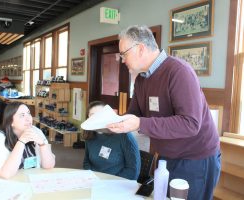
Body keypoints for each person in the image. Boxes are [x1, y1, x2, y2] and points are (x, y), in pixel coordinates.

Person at [107, 25, 221, 200]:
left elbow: (190, 124)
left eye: (124, 54)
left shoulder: (179, 71)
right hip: (167, 155)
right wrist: (112, 121)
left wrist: (139, 123)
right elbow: (134, 114)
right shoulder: (141, 80)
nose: (122, 60)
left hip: (196, 158)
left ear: (141, 49)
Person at [0, 102, 55, 179]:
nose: (28, 118)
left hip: (29, 182)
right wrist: (21, 142)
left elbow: (49, 165)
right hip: (2, 184)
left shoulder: (36, 131)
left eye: (28, 113)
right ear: (11, 121)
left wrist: (42, 144)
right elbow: (6, 174)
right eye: (22, 115)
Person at [83, 101, 141, 180]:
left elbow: (133, 170)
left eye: (100, 115)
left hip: (117, 184)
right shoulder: (90, 134)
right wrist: (91, 177)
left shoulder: (123, 135)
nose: (97, 118)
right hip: (94, 183)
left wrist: (109, 183)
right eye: (93, 115)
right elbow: (86, 162)